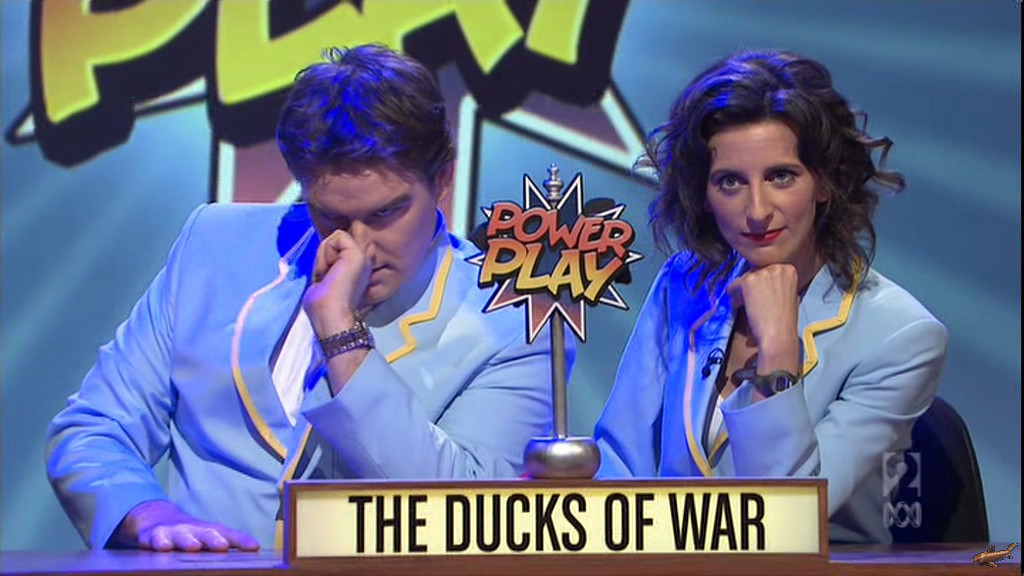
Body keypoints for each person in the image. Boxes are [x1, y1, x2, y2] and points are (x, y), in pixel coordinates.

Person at [47, 44, 562, 552]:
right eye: (331, 216)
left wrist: (342, 335)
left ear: (443, 180)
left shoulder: (514, 320)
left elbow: (470, 512)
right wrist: (144, 513)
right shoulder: (212, 246)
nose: (358, 246)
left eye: (386, 214)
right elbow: (94, 427)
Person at [593, 49, 948, 543]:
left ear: (824, 183)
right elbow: (619, 463)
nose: (757, 211)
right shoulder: (684, 283)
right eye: (730, 182)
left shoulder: (902, 336)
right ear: (702, 194)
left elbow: (786, 518)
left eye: (781, 176)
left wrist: (778, 356)